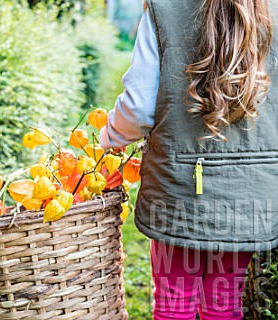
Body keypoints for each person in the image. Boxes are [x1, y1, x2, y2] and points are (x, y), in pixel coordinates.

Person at [100, 0, 278, 319]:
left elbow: (139, 108)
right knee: (224, 302)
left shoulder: (164, 9)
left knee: (174, 302)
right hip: (247, 194)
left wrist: (110, 136)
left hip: (179, 190)